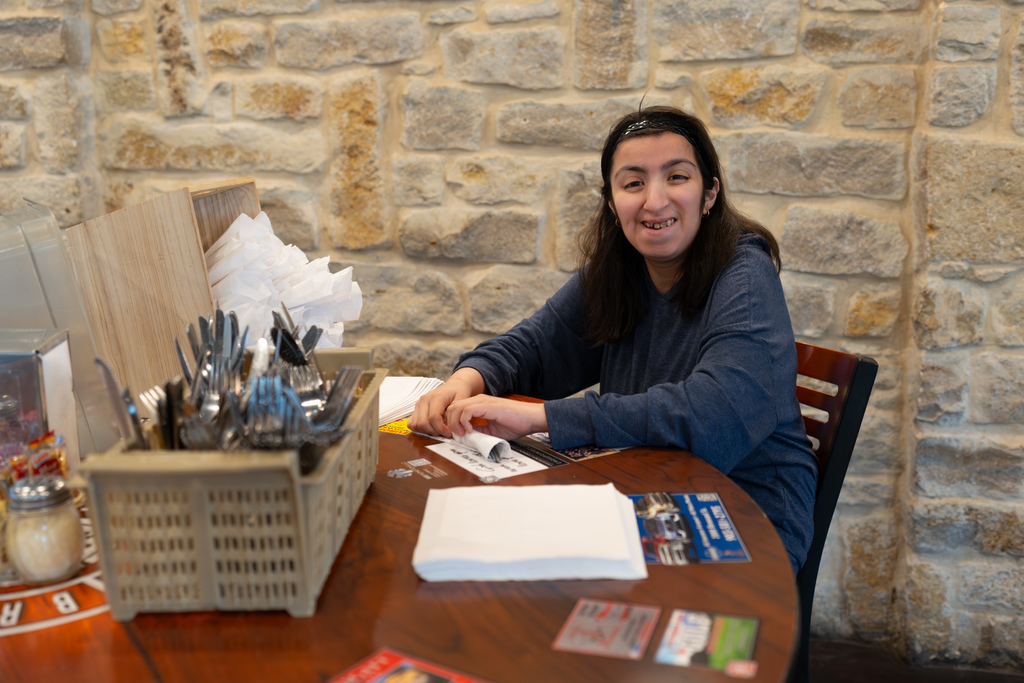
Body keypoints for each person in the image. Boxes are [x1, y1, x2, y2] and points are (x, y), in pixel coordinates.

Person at [408, 106, 818, 573]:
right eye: (634, 182)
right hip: (642, 487)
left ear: (709, 193)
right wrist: (469, 377)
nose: (655, 200)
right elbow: (537, 346)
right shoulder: (618, 271)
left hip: (746, 511)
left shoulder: (745, 274)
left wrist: (541, 417)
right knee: (492, 563)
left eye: (677, 177)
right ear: (611, 201)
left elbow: (713, 415)